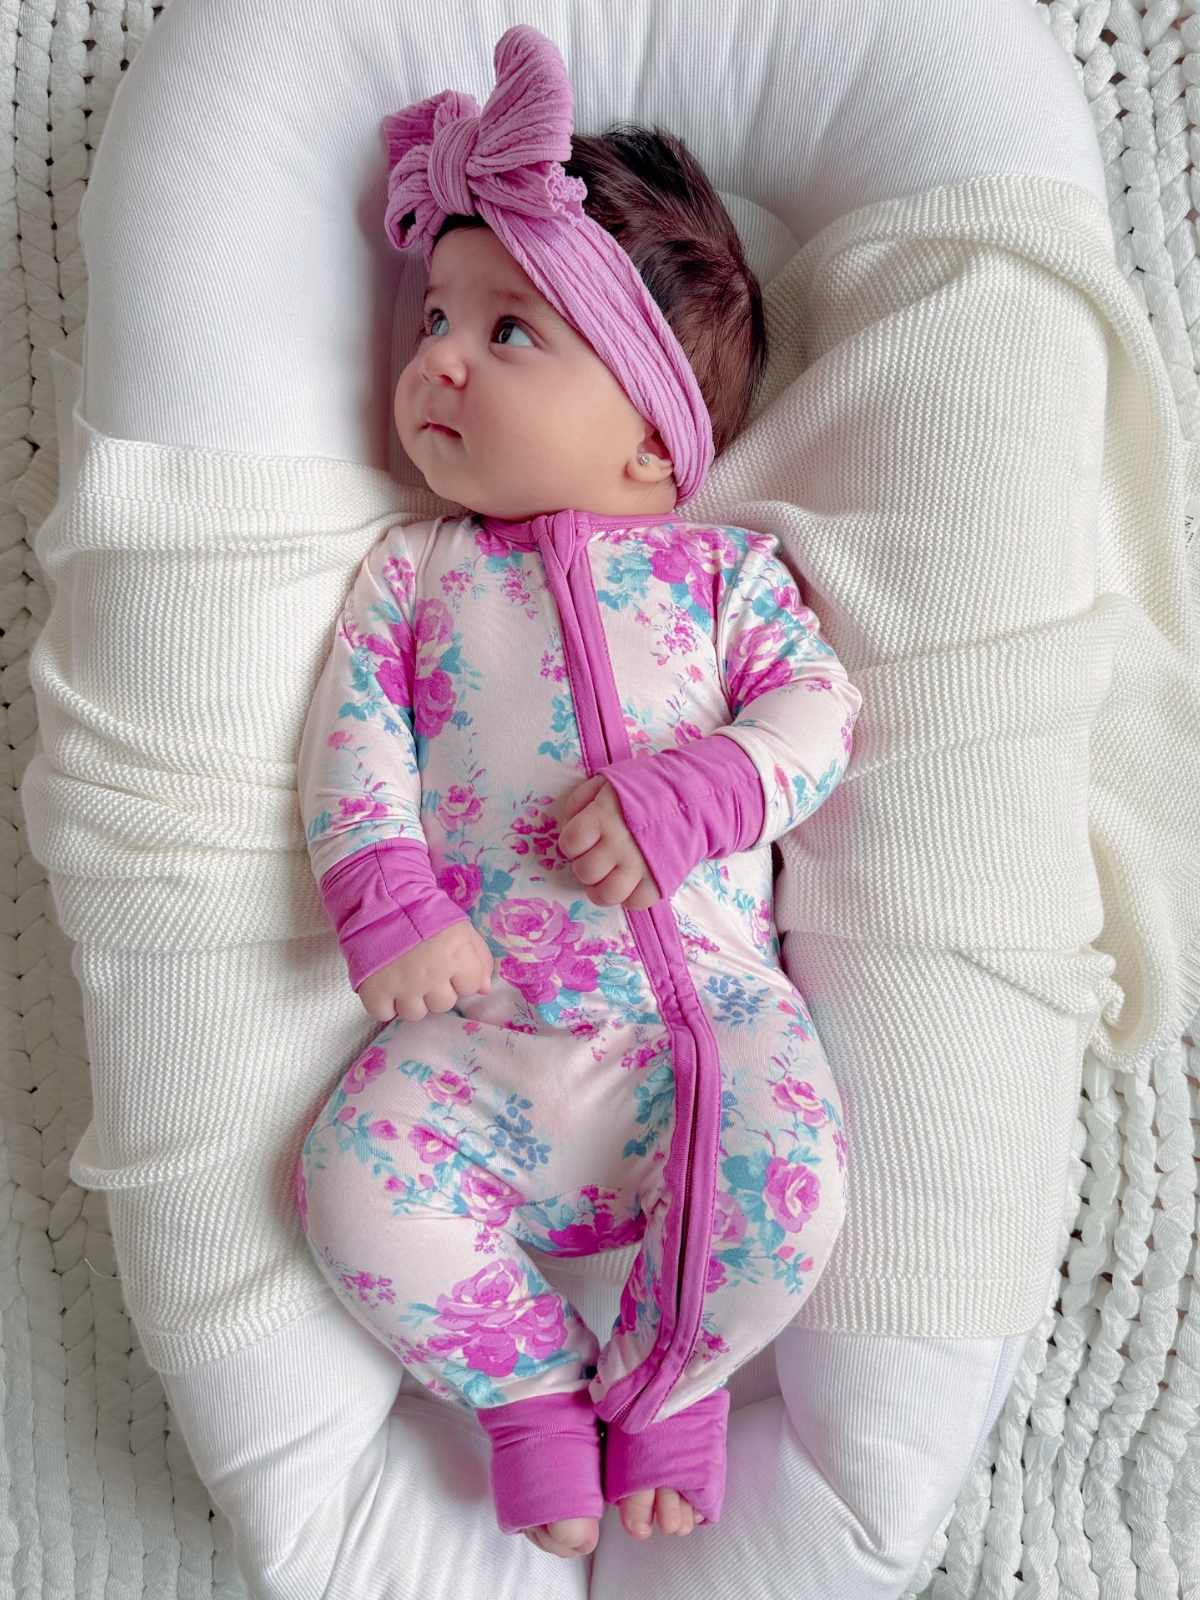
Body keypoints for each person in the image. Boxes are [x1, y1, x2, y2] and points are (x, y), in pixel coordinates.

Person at [295, 25, 860, 1561]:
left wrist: (705, 789)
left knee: (795, 1178)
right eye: (434, 315)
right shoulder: (413, 574)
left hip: (699, 1035)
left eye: (510, 330)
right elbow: (354, 748)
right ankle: (532, 1391)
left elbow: (822, 717)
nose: (440, 359)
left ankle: (674, 1379)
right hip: (476, 1047)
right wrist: (389, 901)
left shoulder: (727, 571)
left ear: (650, 442)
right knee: (348, 1185)